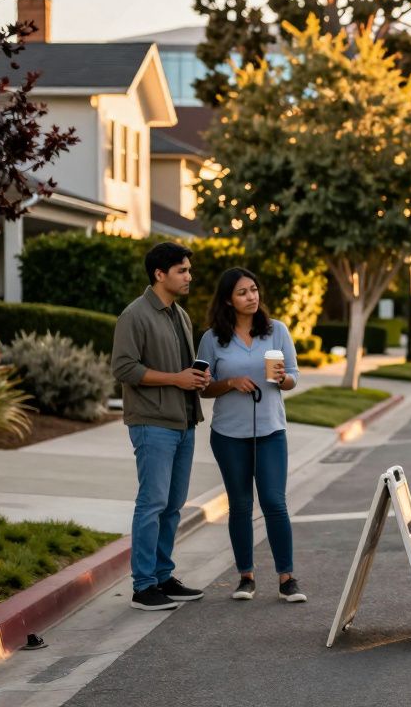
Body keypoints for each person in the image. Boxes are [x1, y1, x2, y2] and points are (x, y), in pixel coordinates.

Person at [197, 267, 306, 603]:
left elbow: (293, 377)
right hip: (229, 435)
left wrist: (281, 380)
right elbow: (202, 388)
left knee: (274, 502)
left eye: (254, 290)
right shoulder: (212, 338)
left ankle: (287, 578)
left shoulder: (277, 331)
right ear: (228, 300)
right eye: (243, 292)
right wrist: (228, 383)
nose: (252, 297)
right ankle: (246, 577)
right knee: (241, 505)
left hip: (270, 431)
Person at [112, 242, 209, 611]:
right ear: (159, 274)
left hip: (183, 422)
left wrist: (196, 378)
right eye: (182, 270)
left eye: (188, 270)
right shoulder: (134, 315)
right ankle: (143, 586)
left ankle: (163, 575)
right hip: (152, 424)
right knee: (151, 503)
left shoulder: (179, 315)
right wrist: (175, 379)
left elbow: (183, 370)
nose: (189, 276)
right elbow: (123, 368)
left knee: (173, 505)